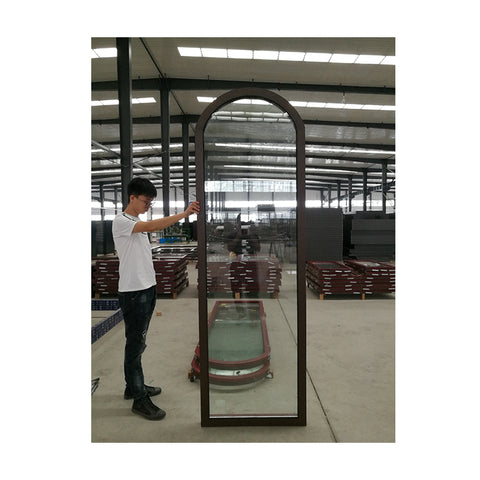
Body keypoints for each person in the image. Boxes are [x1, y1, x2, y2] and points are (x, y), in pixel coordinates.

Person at [112, 177, 200, 420]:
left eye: (151, 203)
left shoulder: (135, 223)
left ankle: (133, 387)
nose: (148, 206)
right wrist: (184, 214)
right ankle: (139, 400)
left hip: (147, 289)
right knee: (134, 345)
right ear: (132, 198)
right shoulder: (122, 221)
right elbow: (153, 226)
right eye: (146, 201)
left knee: (139, 342)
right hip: (134, 292)